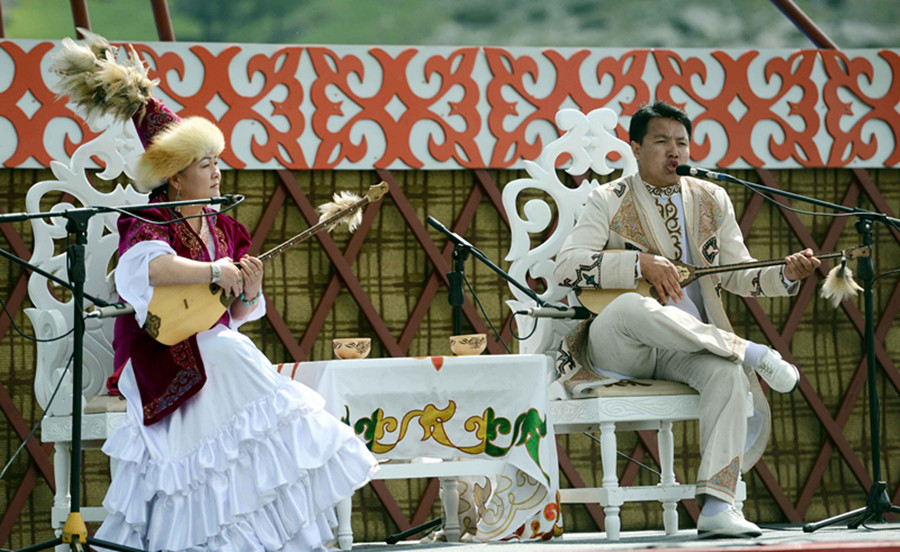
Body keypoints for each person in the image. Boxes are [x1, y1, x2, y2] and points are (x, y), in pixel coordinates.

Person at [52, 33, 378, 551]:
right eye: (206, 164)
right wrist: (211, 273)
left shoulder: (226, 230)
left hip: (215, 350)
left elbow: (238, 312)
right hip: (159, 353)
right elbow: (148, 271)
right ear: (176, 178)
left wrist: (248, 288)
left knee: (231, 346)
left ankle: (246, 530)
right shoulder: (149, 221)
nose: (218, 171)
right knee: (230, 350)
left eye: (215, 162)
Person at [552, 101, 820, 538]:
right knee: (633, 306)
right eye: (661, 141)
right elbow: (567, 266)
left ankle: (718, 505)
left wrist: (785, 274)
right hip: (621, 347)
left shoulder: (711, 198)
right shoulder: (608, 198)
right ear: (635, 148)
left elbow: (739, 274)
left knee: (728, 374)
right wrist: (639, 265)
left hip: (687, 347)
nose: (673, 150)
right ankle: (753, 352)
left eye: (681, 142)